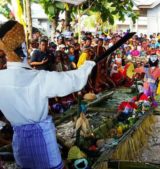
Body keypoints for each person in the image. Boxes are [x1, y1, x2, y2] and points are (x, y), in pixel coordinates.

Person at [0, 20, 96, 169]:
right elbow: (72, 81)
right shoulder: (38, 78)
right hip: (43, 144)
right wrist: (88, 65)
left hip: (19, 144)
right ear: (24, 49)